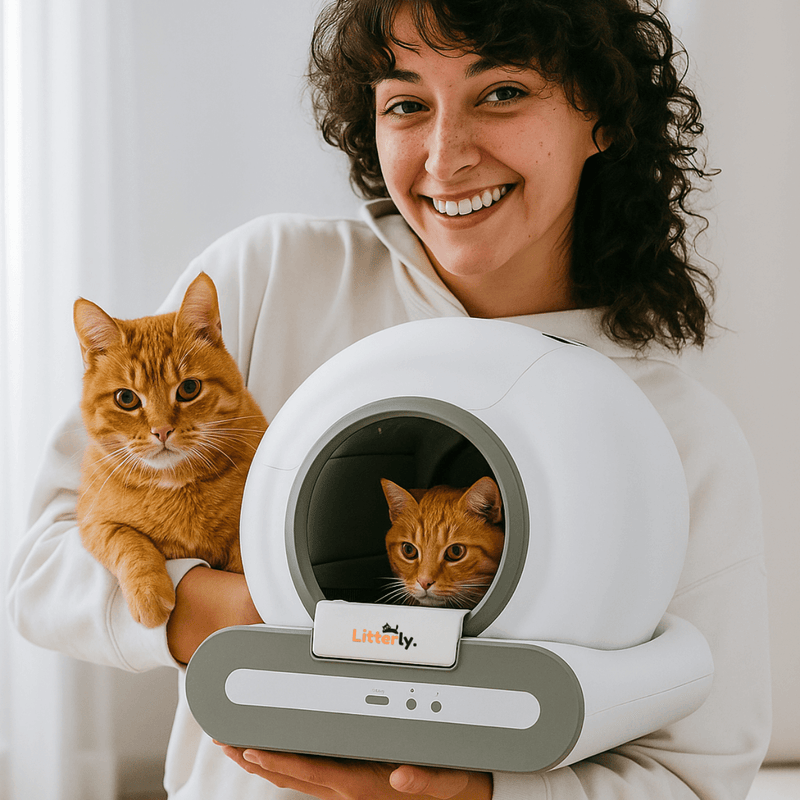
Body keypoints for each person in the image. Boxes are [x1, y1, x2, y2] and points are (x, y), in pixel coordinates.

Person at [7, 1, 771, 798]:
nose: (446, 157)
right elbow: (41, 566)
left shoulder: (675, 433)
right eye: (407, 104)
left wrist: (474, 796)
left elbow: (697, 775)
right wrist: (224, 613)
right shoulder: (270, 280)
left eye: (501, 93)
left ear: (604, 117)